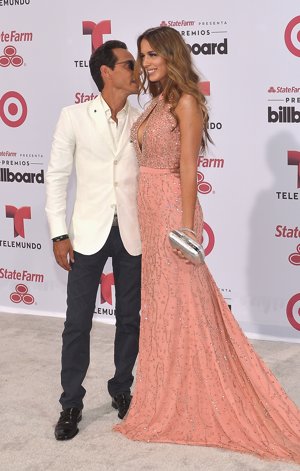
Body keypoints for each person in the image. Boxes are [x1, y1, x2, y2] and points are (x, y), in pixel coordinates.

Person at [114, 26, 300, 464]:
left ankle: (198, 394)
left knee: (186, 303)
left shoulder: (186, 101)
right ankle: (167, 391)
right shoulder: (156, 100)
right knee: (164, 306)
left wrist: (186, 227)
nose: (147, 62)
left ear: (172, 54)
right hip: (148, 208)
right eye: (142, 56)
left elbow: (187, 166)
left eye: (154, 53)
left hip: (171, 214)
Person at [45, 40, 142, 440]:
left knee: (130, 319)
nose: (137, 70)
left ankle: (122, 389)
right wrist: (58, 232)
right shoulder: (73, 117)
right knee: (78, 323)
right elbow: (57, 176)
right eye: (129, 64)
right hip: (86, 233)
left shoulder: (142, 118)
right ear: (107, 72)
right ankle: (71, 402)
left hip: (132, 232)